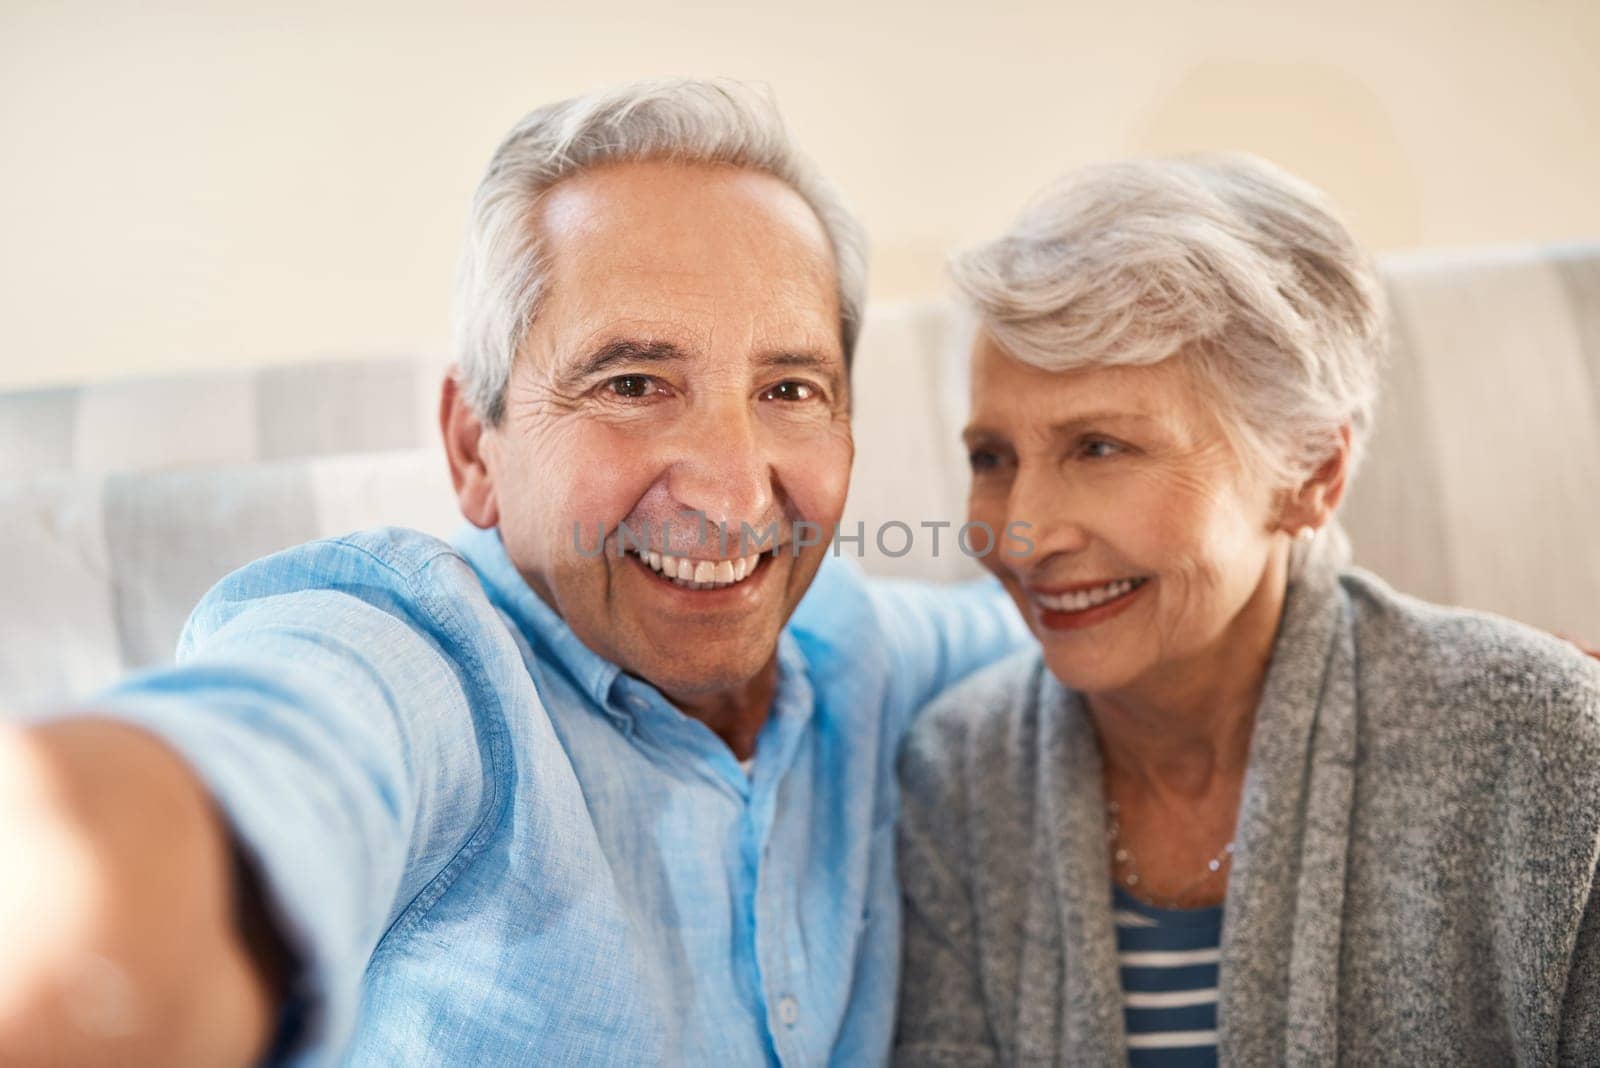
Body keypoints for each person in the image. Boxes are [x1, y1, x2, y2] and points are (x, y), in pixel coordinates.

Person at [0, 79, 1029, 1066]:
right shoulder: (428, 665)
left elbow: (1047, 626)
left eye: (790, 387)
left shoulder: (853, 643)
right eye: (632, 383)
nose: (731, 494)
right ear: (474, 450)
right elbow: (257, 769)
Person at [893, 155, 1600, 1066]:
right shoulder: (953, 780)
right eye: (993, 458)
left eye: (1101, 448)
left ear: (1312, 475)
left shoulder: (1541, 749)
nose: (1020, 536)